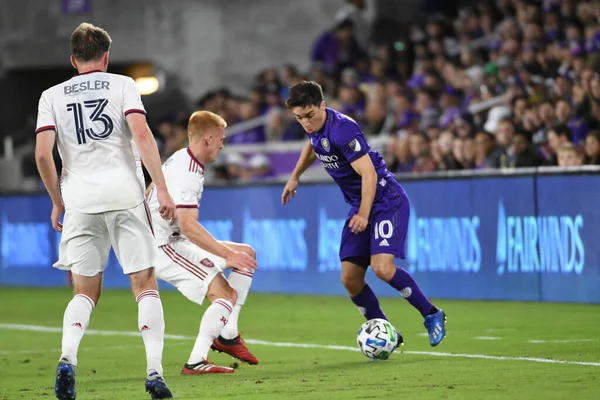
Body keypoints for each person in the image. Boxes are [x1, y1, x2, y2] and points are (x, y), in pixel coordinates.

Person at [34, 23, 176, 399]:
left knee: (84, 292)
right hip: (126, 195)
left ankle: (67, 358)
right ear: (106, 56)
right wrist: (161, 187)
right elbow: (142, 135)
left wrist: (57, 200)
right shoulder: (123, 85)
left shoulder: (51, 96)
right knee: (145, 287)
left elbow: (42, 154)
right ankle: (154, 372)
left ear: (73, 60)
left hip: (80, 201)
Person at [281, 81, 447, 355]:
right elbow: (312, 147)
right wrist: (295, 176)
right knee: (350, 279)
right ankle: (384, 330)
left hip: (385, 201)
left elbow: (368, 174)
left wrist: (364, 213)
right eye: (299, 118)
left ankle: (431, 313)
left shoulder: (343, 129)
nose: (306, 124)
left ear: (323, 105)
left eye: (310, 115)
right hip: (362, 205)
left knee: (382, 268)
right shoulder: (315, 128)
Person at [146, 111, 259, 374]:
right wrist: (226, 256)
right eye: (220, 138)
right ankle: (197, 360)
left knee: (246, 255)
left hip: (172, 238)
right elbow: (188, 226)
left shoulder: (180, 157)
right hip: (165, 247)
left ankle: (228, 335)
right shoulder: (188, 173)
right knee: (225, 293)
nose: (222, 144)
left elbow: (152, 188)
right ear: (208, 139)